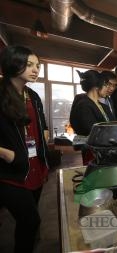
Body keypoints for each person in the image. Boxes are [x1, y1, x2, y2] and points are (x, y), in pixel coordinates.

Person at [0, 45, 49, 253]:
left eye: (38, 65)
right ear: (14, 63)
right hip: (9, 171)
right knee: (30, 219)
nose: (36, 69)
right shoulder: (2, 94)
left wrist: (44, 138)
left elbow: (41, 124)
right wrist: (6, 153)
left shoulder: (33, 96)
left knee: (29, 221)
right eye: (29, 65)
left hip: (34, 165)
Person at [70, 70, 115, 165]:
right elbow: (92, 131)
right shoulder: (84, 105)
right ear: (96, 86)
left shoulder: (103, 105)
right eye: (106, 85)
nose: (108, 88)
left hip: (106, 151)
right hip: (93, 153)